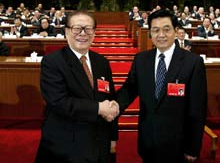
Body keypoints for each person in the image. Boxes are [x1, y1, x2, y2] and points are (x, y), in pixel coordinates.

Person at [115, 9, 207, 163]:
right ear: (150, 33)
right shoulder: (141, 60)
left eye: (166, 29)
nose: (161, 35)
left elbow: (198, 109)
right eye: (155, 30)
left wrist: (193, 147)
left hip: (178, 144)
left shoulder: (193, 63)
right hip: (148, 141)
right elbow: (129, 89)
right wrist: (114, 105)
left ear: (176, 31)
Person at [35, 11, 118, 163]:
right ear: (66, 31)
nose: (83, 33)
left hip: (99, 143)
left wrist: (113, 138)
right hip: (66, 145)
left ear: (94, 33)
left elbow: (110, 99)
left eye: (88, 29)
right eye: (77, 28)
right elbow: (58, 101)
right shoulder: (52, 61)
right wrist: (98, 108)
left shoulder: (102, 62)